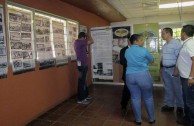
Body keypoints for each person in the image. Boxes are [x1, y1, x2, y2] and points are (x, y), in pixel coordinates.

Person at [125, 34, 155, 125]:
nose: (143, 42)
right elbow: (152, 59)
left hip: (130, 76)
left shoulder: (127, 51)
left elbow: (129, 61)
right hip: (143, 76)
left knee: (135, 98)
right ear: (136, 41)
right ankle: (151, 119)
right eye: (141, 40)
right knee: (148, 97)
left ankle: (138, 120)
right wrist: (144, 63)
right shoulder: (143, 50)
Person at [160, 27, 184, 114]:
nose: (161, 35)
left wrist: (176, 69)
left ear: (169, 34)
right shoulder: (165, 45)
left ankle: (180, 106)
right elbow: (162, 58)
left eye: (163, 33)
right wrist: (161, 68)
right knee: (168, 88)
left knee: (177, 88)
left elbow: (179, 57)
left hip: (173, 69)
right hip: (165, 69)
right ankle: (169, 105)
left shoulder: (176, 44)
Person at [176, 24, 194, 126]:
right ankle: (187, 119)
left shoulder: (190, 43)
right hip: (185, 76)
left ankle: (191, 122)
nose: (181, 34)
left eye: (181, 32)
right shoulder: (187, 43)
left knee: (190, 102)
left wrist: (191, 77)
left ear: (184, 33)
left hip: (189, 78)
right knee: (186, 99)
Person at [74, 32, 93, 105]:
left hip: (81, 64)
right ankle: (80, 99)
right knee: (82, 82)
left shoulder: (78, 42)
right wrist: (88, 35)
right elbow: (92, 41)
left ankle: (85, 95)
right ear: (83, 37)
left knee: (83, 81)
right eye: (85, 38)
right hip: (82, 65)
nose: (85, 39)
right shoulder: (80, 42)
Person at [120, 38, 131, 112]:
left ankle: (133, 102)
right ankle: (124, 104)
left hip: (136, 73)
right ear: (129, 41)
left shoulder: (137, 49)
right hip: (127, 73)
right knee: (126, 89)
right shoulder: (123, 50)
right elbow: (122, 61)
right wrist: (132, 63)